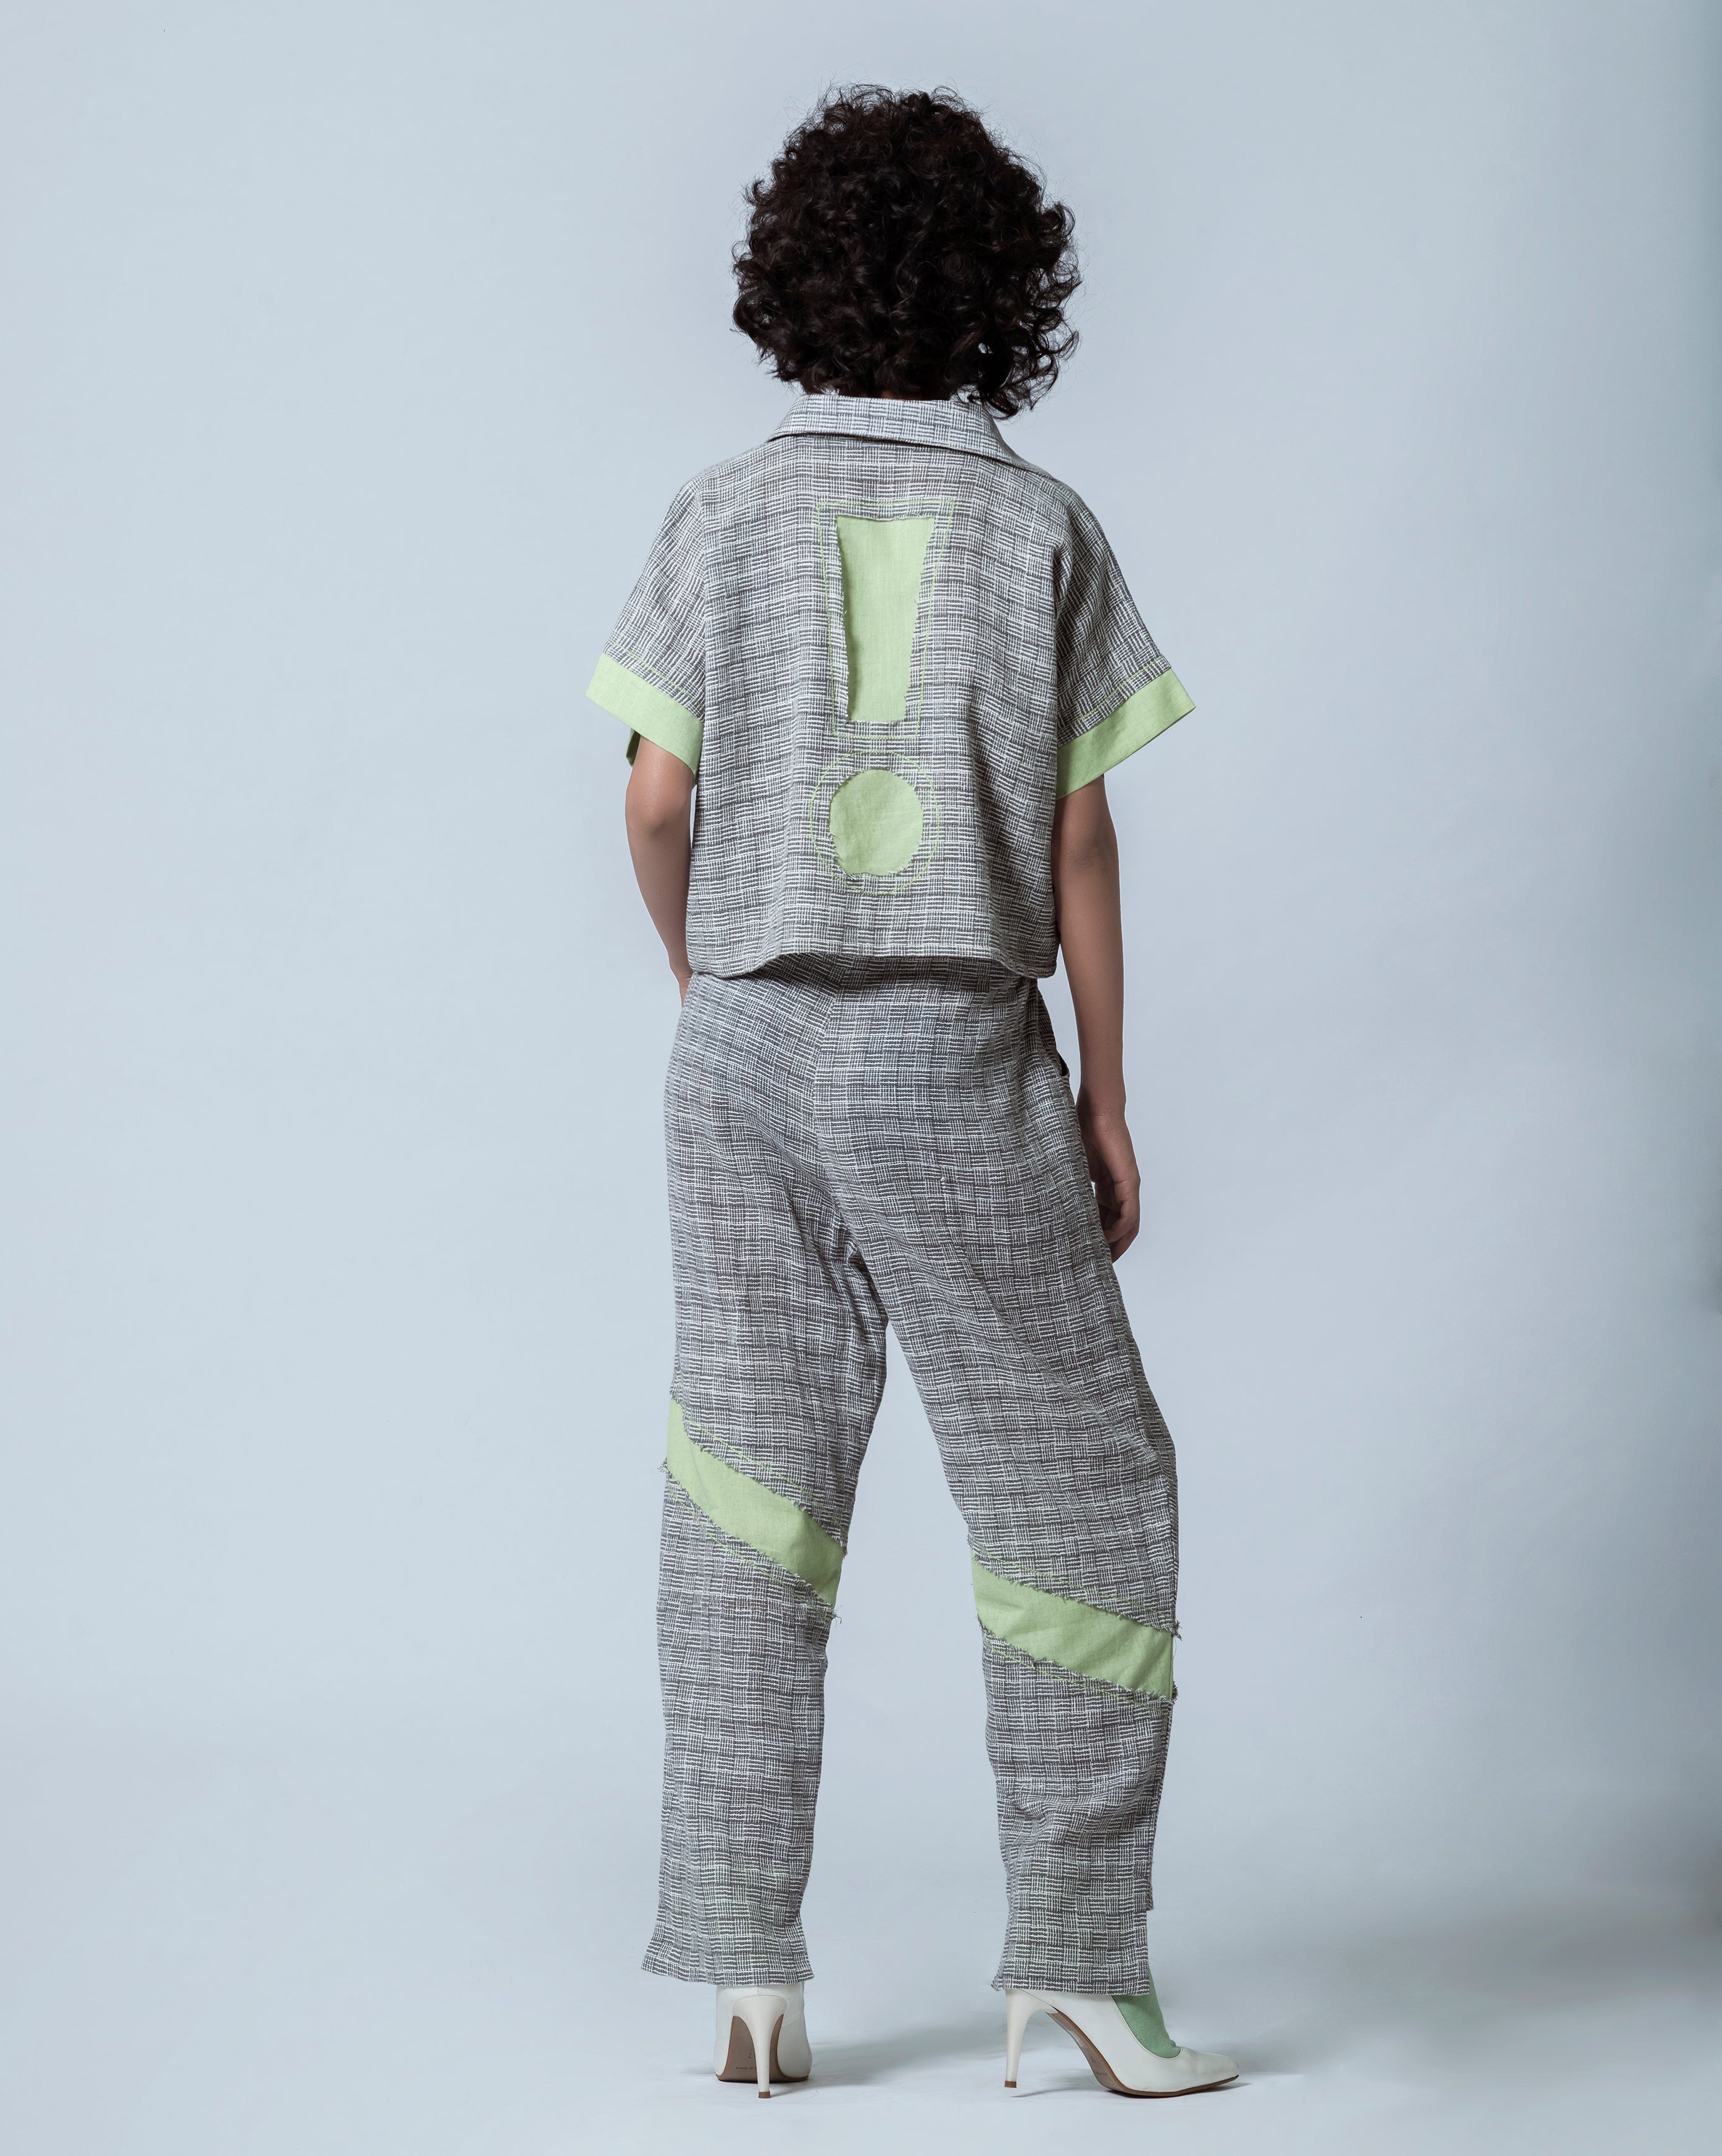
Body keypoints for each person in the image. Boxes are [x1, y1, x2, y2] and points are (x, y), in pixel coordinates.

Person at [588, 83, 1235, 2102]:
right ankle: (1082, 1971)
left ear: (791, 284)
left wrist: (704, 976)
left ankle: (744, 1974)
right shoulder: (1043, 527)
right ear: (1000, 298)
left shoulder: (717, 511)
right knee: (1079, 1489)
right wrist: (1105, 1096)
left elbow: (657, 798)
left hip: (742, 1057)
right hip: (955, 1053)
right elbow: (1082, 839)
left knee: (746, 1486)